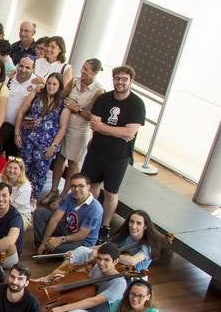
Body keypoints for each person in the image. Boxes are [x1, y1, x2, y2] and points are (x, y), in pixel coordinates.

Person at [80, 64, 146, 229]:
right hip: (96, 151)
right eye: (117, 78)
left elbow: (129, 132)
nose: (120, 82)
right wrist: (119, 132)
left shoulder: (137, 104)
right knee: (91, 186)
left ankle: (105, 225)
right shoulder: (104, 99)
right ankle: (88, 218)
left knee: (110, 192)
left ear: (131, 81)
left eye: (124, 79)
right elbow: (95, 124)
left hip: (119, 156)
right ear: (113, 79)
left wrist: (105, 128)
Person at [39, 243, 130, 312]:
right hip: (87, 308)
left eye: (106, 260)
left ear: (115, 261)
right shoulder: (97, 268)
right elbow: (84, 284)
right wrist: (64, 279)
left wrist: (63, 308)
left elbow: (94, 301)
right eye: (99, 258)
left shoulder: (119, 283)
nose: (101, 263)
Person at [17, 72, 68, 197]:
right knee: (21, 170)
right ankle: (16, 196)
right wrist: (16, 133)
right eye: (49, 83)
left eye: (54, 84)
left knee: (39, 174)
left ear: (59, 86)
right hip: (27, 140)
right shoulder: (36, 95)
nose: (51, 87)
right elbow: (21, 112)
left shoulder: (62, 104)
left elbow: (63, 127)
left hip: (45, 145)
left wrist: (53, 146)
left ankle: (31, 200)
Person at [59, 57, 104, 192]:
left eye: (86, 69)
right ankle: (54, 190)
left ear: (94, 73)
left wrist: (77, 108)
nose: (82, 71)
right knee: (59, 158)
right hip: (64, 126)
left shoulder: (98, 91)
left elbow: (94, 118)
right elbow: (61, 97)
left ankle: (66, 193)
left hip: (79, 130)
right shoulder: (74, 81)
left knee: (72, 162)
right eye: (82, 67)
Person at [33, 172, 103, 255]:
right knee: (40, 212)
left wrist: (60, 240)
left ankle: (47, 251)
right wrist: (44, 243)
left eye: (81, 186)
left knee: (56, 248)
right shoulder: (70, 196)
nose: (76, 189)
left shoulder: (95, 208)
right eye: (73, 186)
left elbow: (82, 234)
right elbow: (55, 219)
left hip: (82, 241)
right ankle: (42, 247)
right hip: (67, 229)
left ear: (88, 187)